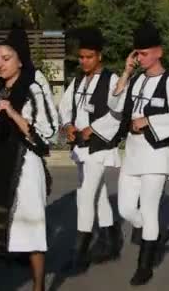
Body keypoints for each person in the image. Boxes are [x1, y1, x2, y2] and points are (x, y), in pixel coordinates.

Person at [0, 29, 59, 291]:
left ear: (20, 59)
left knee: (30, 232)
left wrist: (15, 115)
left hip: (25, 168)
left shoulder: (33, 88)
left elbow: (49, 133)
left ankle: (38, 287)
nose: (0, 63)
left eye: (6, 58)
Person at [111, 21, 169, 286]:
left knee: (150, 210)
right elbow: (115, 105)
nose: (140, 57)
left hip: (156, 154)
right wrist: (126, 71)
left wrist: (149, 122)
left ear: (159, 52)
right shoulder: (136, 79)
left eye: (144, 53)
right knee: (125, 209)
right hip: (132, 153)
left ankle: (144, 266)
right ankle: (155, 236)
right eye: (137, 53)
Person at [58, 27, 123, 272]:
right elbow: (65, 106)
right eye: (81, 57)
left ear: (99, 56)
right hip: (81, 148)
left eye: (89, 57)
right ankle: (109, 240)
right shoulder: (76, 81)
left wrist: (93, 129)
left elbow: (117, 112)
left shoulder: (112, 79)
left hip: (99, 146)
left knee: (85, 194)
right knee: (99, 193)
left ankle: (80, 253)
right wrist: (67, 125)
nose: (84, 61)